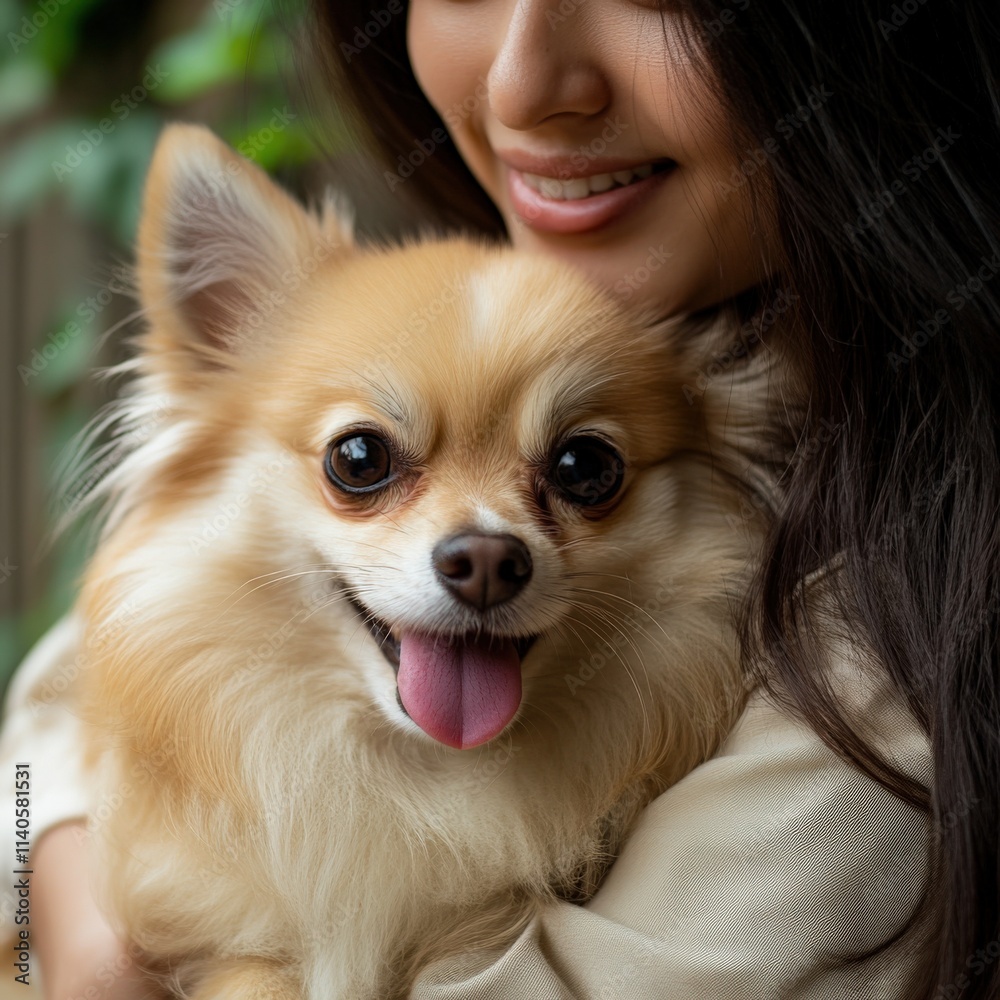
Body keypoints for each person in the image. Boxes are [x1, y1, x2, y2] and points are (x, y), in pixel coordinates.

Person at [4, 0, 999, 996]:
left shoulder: (904, 632)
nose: (523, 82)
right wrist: (51, 865)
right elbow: (66, 688)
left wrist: (89, 915)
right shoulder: (496, 278)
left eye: (579, 475)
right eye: (363, 463)